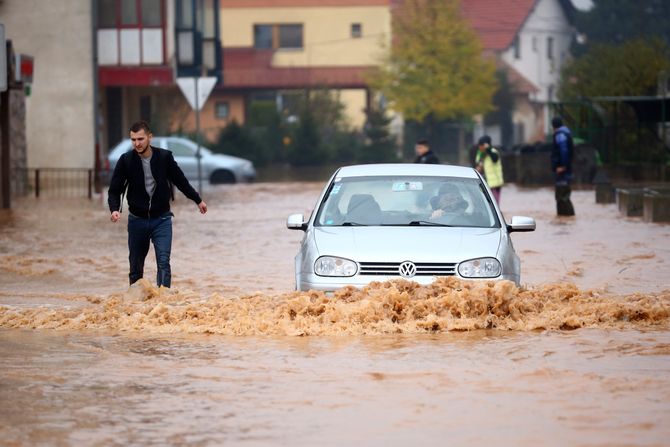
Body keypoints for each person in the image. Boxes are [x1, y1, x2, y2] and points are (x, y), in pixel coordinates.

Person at [108, 120, 208, 288]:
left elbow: (180, 181)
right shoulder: (126, 160)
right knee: (135, 268)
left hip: (161, 219)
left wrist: (198, 200)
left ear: (150, 137)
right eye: (133, 140)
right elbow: (114, 189)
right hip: (137, 220)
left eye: (140, 139)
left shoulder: (164, 157)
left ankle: (163, 303)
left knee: (163, 263)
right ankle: (136, 306)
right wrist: (114, 209)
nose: (137, 143)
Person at [550, 117, 575, 216]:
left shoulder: (560, 135)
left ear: (554, 126)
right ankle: (565, 219)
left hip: (563, 171)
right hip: (564, 170)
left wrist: (563, 166)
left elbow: (564, 151)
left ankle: (565, 217)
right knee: (563, 195)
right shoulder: (566, 133)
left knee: (562, 196)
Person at [475, 135, 504, 204]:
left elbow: (495, 159)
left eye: (481, 145)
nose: (479, 147)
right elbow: (478, 163)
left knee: (495, 204)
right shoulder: (481, 154)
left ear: (485, 145)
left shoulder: (493, 152)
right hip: (486, 183)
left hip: (495, 183)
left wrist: (488, 149)